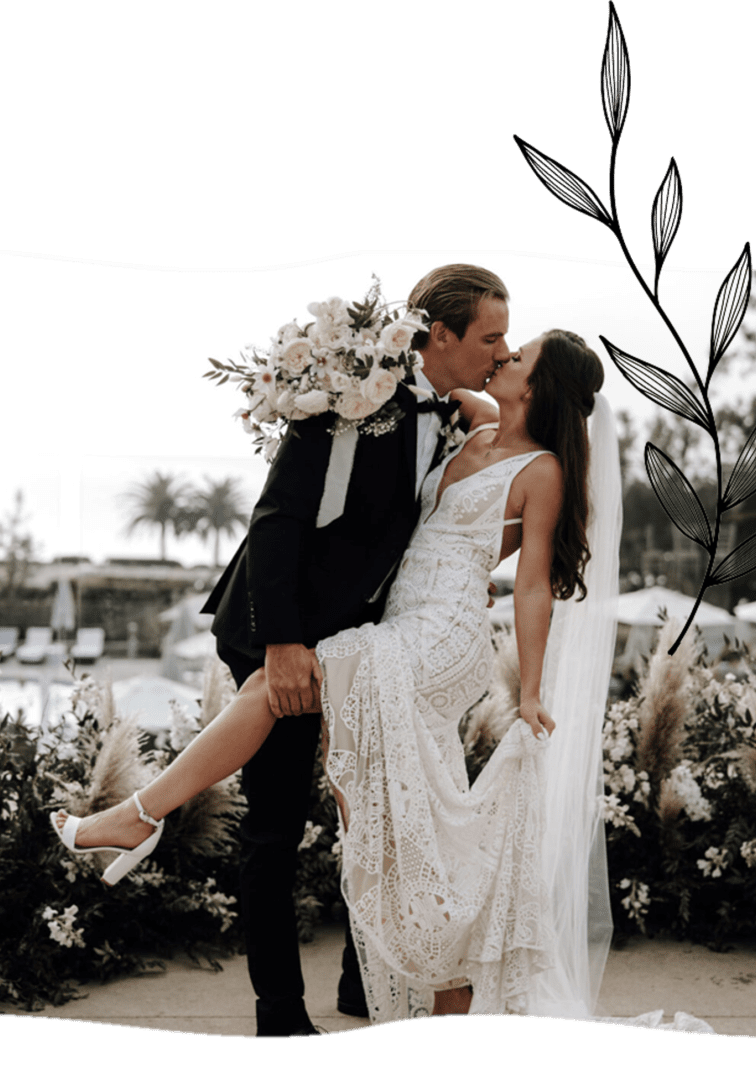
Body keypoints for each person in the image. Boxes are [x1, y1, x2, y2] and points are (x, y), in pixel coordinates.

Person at [51, 327, 620, 1025]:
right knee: (388, 821)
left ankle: (137, 816)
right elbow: (417, 380)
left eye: (518, 354)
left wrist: (529, 691)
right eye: (499, 344)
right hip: (397, 625)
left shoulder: (542, 470)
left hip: (440, 639)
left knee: (280, 694)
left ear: (537, 387)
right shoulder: (471, 423)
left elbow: (533, 587)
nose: (504, 357)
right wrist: (347, 358)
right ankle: (447, 991)